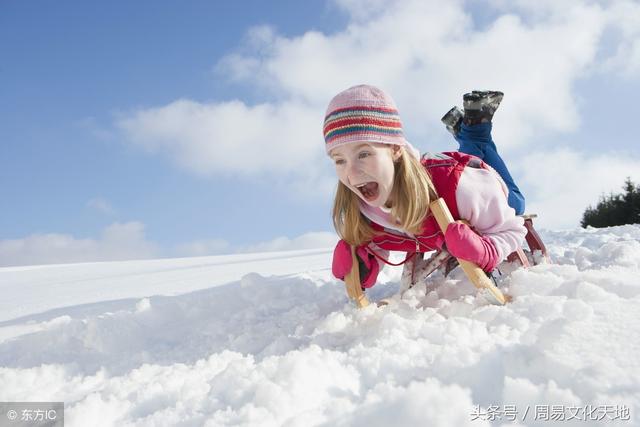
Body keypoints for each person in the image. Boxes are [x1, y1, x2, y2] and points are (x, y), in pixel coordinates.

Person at [325, 84, 527, 289]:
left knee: (518, 203)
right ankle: (468, 133)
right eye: (339, 160)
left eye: (364, 154)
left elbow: (511, 229)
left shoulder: (461, 188)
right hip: (456, 185)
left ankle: (474, 133)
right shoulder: (362, 200)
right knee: (474, 157)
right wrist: (365, 260)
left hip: (482, 185)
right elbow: (383, 234)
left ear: (395, 148)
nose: (351, 174)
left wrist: (488, 251)